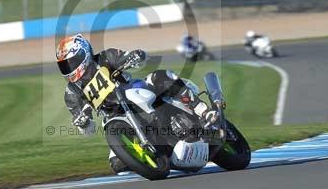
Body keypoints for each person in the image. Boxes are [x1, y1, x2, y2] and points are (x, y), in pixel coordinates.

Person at [56, 33, 218, 174]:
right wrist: (83, 124)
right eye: (64, 65)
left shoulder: (105, 57)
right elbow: (89, 131)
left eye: (71, 62)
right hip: (114, 117)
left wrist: (135, 56)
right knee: (117, 163)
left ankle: (202, 110)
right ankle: (158, 159)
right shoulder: (71, 93)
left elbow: (134, 58)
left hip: (135, 91)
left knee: (159, 76)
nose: (69, 68)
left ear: (84, 54)